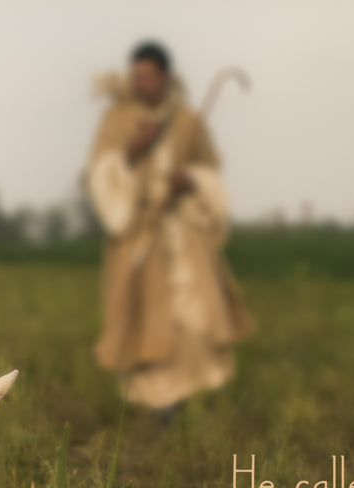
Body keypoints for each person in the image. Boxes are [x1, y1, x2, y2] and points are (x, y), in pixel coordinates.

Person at [85, 40, 253, 417]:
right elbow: (100, 174)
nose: (141, 83)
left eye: (148, 76)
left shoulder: (187, 123)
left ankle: (189, 401)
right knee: (145, 321)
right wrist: (132, 150)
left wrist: (189, 182)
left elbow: (210, 174)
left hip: (183, 236)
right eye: (136, 76)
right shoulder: (117, 121)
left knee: (192, 320)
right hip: (138, 236)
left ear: (164, 77)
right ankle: (159, 405)